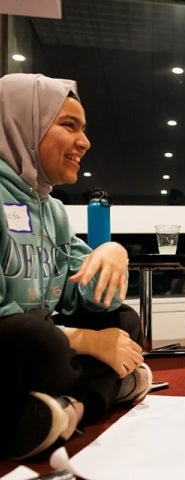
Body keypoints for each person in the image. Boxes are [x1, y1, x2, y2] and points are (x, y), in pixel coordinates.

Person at [0, 73, 152, 461]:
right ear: (22, 125)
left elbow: (81, 295)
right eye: (69, 125)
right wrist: (84, 341)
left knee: (123, 321)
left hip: (37, 348)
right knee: (40, 341)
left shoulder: (50, 208)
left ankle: (65, 409)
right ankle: (106, 390)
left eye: (84, 129)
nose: (85, 142)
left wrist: (113, 253)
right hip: (21, 344)